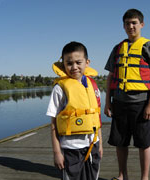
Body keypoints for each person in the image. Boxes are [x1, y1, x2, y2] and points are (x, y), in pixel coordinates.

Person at [104, 9, 150, 180]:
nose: (131, 26)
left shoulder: (149, 46)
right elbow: (110, 76)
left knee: (144, 143)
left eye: (134, 23)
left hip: (141, 103)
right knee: (120, 142)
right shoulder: (117, 48)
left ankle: (144, 177)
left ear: (141, 24)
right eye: (127, 23)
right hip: (119, 102)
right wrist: (108, 102)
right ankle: (123, 175)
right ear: (123, 26)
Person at [46, 41, 103, 180]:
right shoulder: (59, 89)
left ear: (87, 62)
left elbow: (97, 117)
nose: (74, 67)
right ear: (63, 64)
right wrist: (57, 152)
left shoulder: (93, 86)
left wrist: (100, 144)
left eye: (78, 62)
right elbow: (53, 124)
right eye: (69, 63)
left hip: (92, 146)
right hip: (70, 149)